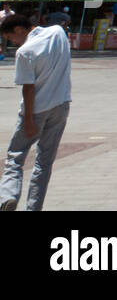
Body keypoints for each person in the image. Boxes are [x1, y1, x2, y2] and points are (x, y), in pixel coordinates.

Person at [0, 13, 72, 211]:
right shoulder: (58, 33)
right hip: (61, 106)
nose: (12, 43)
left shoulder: (25, 52)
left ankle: (8, 197)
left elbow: (28, 88)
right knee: (44, 162)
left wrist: (29, 120)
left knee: (15, 157)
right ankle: (33, 208)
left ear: (19, 30)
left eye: (10, 38)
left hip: (36, 109)